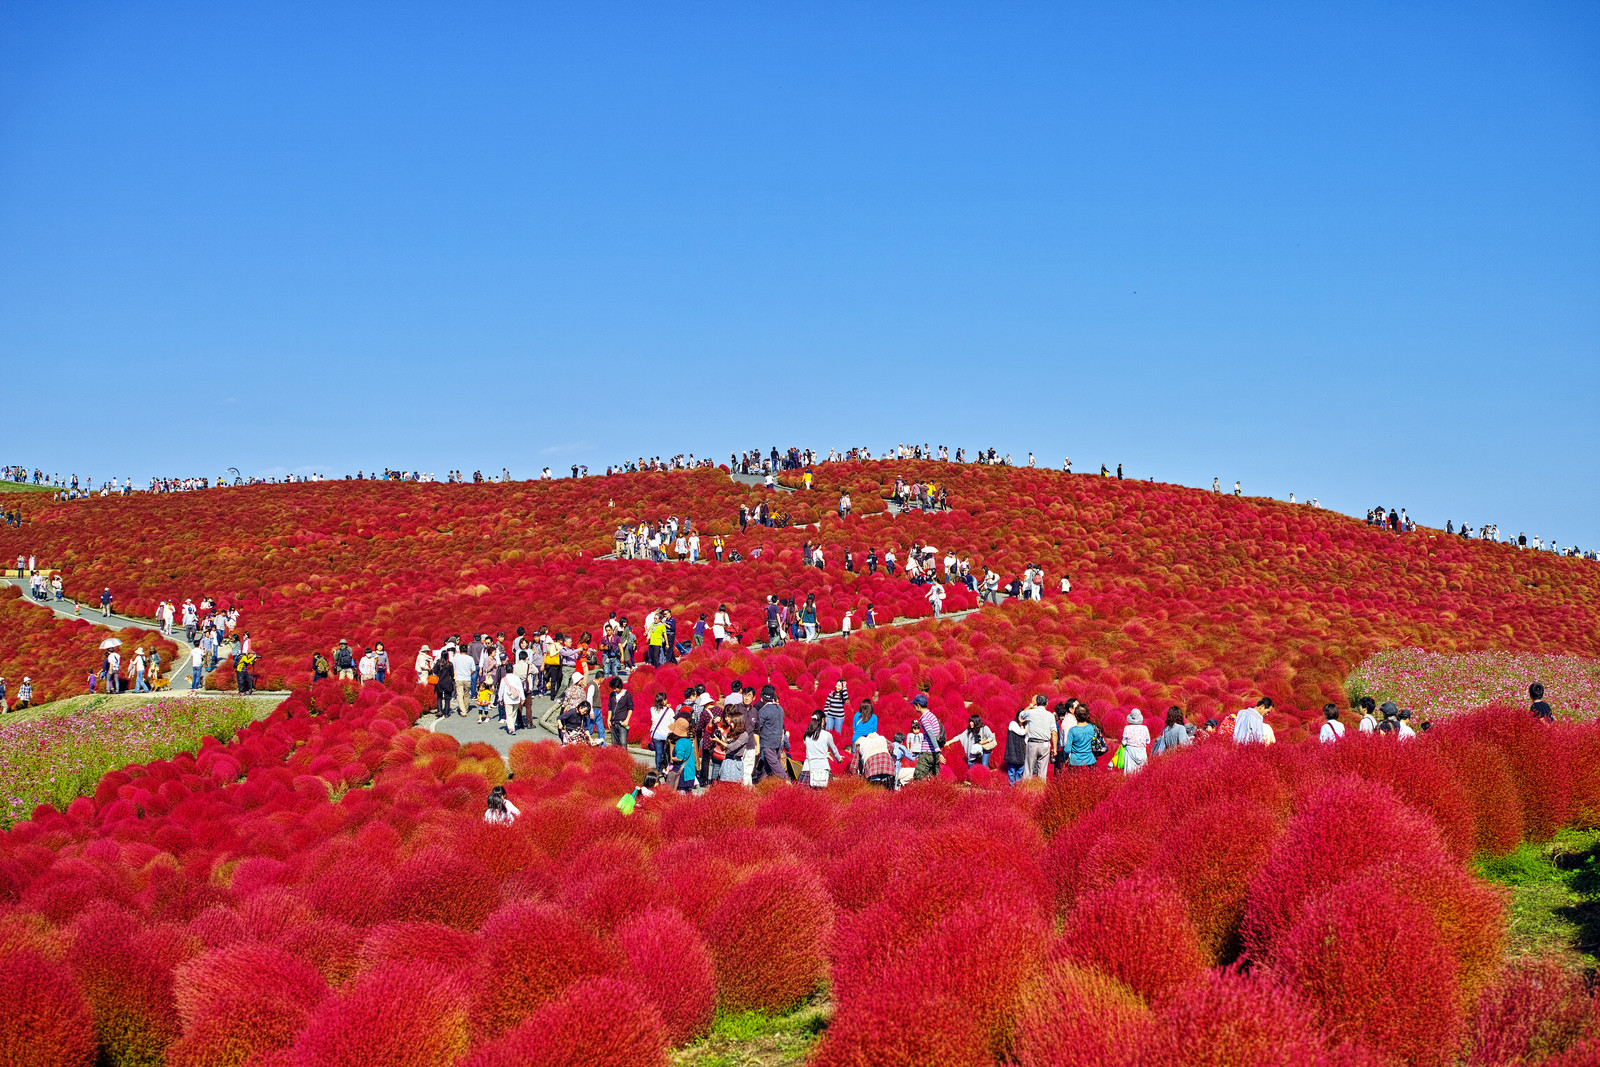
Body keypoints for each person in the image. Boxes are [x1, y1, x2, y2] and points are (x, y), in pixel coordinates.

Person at [754, 684, 788, 783]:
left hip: (767, 742)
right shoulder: (780, 709)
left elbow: (758, 727)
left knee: (774, 764)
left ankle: (787, 780)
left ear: (763, 698)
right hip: (778, 741)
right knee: (768, 765)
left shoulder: (763, 710)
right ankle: (764, 782)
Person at [802, 711, 842, 787]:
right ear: (823, 720)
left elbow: (812, 748)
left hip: (808, 769)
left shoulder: (806, 735)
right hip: (823, 769)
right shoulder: (827, 735)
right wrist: (839, 759)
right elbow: (834, 750)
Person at [1020, 695, 1055, 780]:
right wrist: (1055, 748)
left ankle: (1027, 790)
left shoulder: (1030, 713)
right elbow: (1054, 732)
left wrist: (1031, 705)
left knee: (1028, 770)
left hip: (1032, 743)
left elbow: (1021, 716)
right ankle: (1041, 789)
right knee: (1042, 771)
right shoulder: (1050, 715)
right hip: (1045, 744)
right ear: (1047, 703)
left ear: (1037, 702)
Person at [668, 718, 697, 791]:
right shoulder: (688, 741)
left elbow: (679, 758)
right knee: (687, 793)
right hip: (689, 771)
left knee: (681, 794)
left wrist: (672, 758)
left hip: (682, 773)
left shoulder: (680, 743)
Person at [1001, 709, 1028, 785]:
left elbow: (1026, 739)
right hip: (1012, 749)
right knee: (1012, 769)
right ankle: (1012, 784)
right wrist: (1029, 727)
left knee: (1021, 768)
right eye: (1020, 716)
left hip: (1021, 750)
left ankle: (1017, 784)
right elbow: (1021, 732)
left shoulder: (1025, 726)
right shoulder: (1013, 723)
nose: (1022, 718)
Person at [1121, 709, 1151, 774]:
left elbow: (1123, 742)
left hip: (1130, 752)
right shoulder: (1144, 728)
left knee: (1129, 774)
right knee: (1142, 773)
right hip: (1142, 752)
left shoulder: (1127, 728)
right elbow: (1148, 741)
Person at [649, 692, 673, 771]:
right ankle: (666, 768)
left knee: (658, 753)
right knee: (666, 753)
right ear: (665, 700)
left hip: (656, 735)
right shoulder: (669, 711)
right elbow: (672, 722)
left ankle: (658, 769)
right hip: (666, 735)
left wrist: (664, 705)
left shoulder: (652, 710)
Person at [607, 677, 633, 747]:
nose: (614, 690)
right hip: (613, 723)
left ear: (620, 686)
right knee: (614, 744)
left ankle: (624, 757)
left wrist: (627, 720)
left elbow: (630, 708)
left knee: (623, 743)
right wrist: (608, 720)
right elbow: (610, 708)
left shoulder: (627, 695)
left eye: (615, 688)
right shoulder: (612, 695)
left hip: (622, 723)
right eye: (613, 688)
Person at [499, 668, 525, 735]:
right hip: (516, 698)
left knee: (509, 714)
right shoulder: (517, 678)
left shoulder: (504, 679)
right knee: (514, 713)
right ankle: (512, 726)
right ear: (513, 670)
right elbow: (520, 688)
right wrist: (523, 698)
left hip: (508, 699)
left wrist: (500, 698)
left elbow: (501, 689)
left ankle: (511, 728)